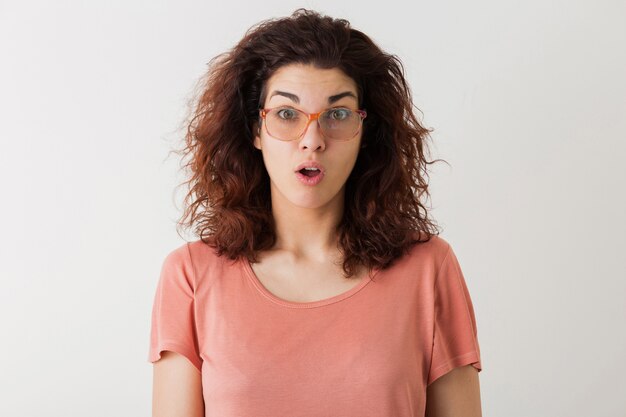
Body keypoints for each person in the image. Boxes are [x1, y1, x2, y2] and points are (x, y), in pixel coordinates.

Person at [148, 8, 483, 417]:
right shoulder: (191, 276)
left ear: (365, 131)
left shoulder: (429, 268)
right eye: (286, 114)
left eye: (337, 114)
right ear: (255, 130)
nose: (313, 139)